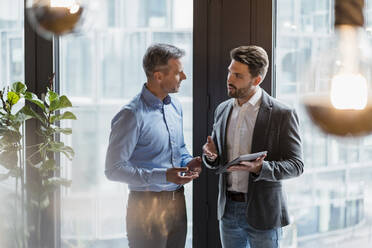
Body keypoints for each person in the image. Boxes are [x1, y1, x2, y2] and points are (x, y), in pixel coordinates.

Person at [202, 45, 304, 248]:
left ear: (256, 80)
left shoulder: (282, 114)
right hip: (227, 211)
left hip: (264, 214)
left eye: (238, 75)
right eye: (229, 72)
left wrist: (260, 168)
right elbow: (218, 160)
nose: (229, 79)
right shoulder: (222, 109)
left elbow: (296, 165)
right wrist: (211, 157)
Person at [105, 43, 201, 248]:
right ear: (158, 76)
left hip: (177, 201)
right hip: (145, 206)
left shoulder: (175, 106)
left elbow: (180, 148)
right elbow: (113, 170)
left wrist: (189, 162)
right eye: (178, 72)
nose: (183, 77)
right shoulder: (131, 115)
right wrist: (163, 175)